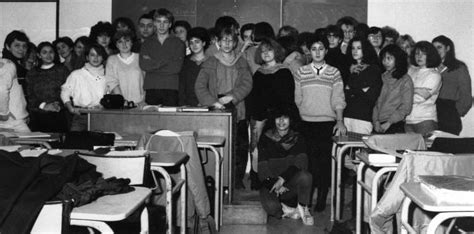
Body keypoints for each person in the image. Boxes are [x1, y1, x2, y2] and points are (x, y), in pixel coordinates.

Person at [195, 27, 252, 190]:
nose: (227, 43)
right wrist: (214, 102)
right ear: (218, 43)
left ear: (235, 43)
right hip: (216, 108)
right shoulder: (211, 61)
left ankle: (237, 180)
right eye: (223, 40)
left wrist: (232, 97)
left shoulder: (241, 61)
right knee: (220, 145)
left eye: (230, 40)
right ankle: (220, 181)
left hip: (236, 106)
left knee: (240, 147)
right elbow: (200, 86)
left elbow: (247, 83)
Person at [294, 35, 346, 212]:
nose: (317, 52)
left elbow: (338, 98)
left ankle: (322, 197)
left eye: (321, 48)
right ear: (309, 51)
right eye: (313, 48)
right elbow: (297, 98)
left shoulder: (334, 72)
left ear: (326, 50)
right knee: (308, 163)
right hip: (306, 123)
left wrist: (339, 120)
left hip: (327, 124)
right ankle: (306, 200)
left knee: (324, 164)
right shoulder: (301, 72)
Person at [247, 38, 297, 190]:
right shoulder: (258, 73)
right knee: (255, 149)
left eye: (269, 50)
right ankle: (257, 179)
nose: (266, 54)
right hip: (260, 116)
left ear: (276, 51)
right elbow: (253, 97)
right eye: (263, 51)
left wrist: (277, 115)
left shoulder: (284, 71)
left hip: (279, 117)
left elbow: (287, 97)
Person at [258, 107, 313, 225]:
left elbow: (301, 164)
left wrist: (281, 179)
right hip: (271, 185)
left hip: (289, 183)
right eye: (278, 117)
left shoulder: (298, 138)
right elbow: (262, 168)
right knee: (272, 208)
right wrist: (275, 183)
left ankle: (303, 207)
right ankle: (286, 210)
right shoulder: (265, 138)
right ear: (273, 119)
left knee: (305, 176)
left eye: (285, 118)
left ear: (291, 119)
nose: (281, 121)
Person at [139, 8, 185, 106]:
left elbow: (176, 68)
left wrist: (153, 63)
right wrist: (167, 61)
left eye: (165, 22)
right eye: (158, 21)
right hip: (151, 87)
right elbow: (144, 65)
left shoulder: (179, 43)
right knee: (151, 120)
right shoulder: (146, 43)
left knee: (170, 120)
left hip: (171, 88)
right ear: (154, 23)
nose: (161, 25)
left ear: (170, 24)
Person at [61, 44, 109, 131]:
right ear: (87, 57)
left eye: (99, 55)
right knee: (75, 143)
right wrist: (70, 108)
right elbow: (65, 92)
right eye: (92, 55)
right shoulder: (77, 74)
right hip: (81, 116)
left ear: (103, 57)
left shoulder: (108, 75)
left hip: (101, 116)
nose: (96, 58)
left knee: (100, 144)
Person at [26, 42, 70, 132]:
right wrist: (44, 106)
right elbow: (29, 95)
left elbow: (69, 91)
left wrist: (58, 105)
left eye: (51, 52)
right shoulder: (32, 73)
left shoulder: (62, 70)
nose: (48, 55)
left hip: (58, 115)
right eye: (44, 52)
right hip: (38, 116)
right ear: (39, 55)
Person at [432, 35, 472, 135]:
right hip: (430, 115)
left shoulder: (459, 68)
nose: (436, 50)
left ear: (448, 48)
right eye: (434, 48)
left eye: (439, 47)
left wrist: (454, 113)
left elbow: (466, 96)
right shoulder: (430, 67)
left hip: (448, 114)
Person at [343, 37, 382, 134]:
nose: (355, 51)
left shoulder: (373, 69)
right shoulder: (349, 69)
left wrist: (351, 89)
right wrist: (358, 89)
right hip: (347, 114)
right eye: (353, 48)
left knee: (361, 147)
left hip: (363, 116)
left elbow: (370, 96)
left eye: (359, 48)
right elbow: (344, 93)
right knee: (345, 147)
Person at [372, 44, 414, 133]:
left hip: (394, 124)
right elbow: (375, 103)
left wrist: (389, 122)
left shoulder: (405, 79)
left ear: (397, 59)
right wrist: (375, 122)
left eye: (389, 58)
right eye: (383, 59)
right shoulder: (381, 77)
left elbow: (406, 107)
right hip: (377, 124)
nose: (385, 62)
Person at [405, 41, 442, 135]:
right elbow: (402, 90)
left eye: (423, 54)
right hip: (408, 120)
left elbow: (421, 97)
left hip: (425, 120)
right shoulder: (411, 71)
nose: (419, 57)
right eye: (417, 53)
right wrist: (417, 90)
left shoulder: (434, 75)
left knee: (424, 149)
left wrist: (408, 92)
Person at [106, 30, 144, 104]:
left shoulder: (140, 58)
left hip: (140, 102)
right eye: (120, 42)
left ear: (132, 42)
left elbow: (147, 81)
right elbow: (112, 82)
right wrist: (122, 101)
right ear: (116, 45)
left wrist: (143, 100)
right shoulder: (112, 60)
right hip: (119, 104)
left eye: (127, 41)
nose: (124, 44)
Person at [178, 27, 210, 106]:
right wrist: (182, 103)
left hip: (208, 103)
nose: (194, 45)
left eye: (197, 42)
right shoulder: (185, 62)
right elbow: (182, 86)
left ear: (203, 43)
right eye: (191, 42)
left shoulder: (212, 62)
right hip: (189, 103)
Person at [0, 58, 30, 132]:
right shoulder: (8, 64)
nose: (21, 49)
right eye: (17, 45)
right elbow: (1, 89)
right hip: (12, 122)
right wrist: (4, 113)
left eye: (24, 46)